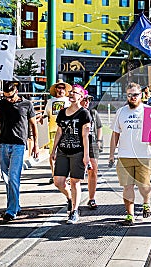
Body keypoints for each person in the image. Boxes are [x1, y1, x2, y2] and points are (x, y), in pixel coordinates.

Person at [0, 80, 39, 221]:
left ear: (16, 92)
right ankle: (15, 206)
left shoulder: (27, 104)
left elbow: (34, 125)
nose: (8, 99)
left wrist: (36, 144)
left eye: (10, 96)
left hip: (19, 145)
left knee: (13, 177)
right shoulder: (2, 103)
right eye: (5, 97)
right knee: (7, 179)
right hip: (4, 144)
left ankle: (11, 211)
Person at [109, 83, 151, 226]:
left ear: (141, 95)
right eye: (129, 95)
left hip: (144, 155)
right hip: (124, 155)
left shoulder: (149, 110)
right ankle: (130, 215)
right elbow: (115, 133)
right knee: (127, 186)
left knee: (144, 186)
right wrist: (111, 154)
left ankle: (146, 202)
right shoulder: (121, 112)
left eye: (135, 94)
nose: (132, 97)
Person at [51, 84, 91, 224]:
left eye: (76, 92)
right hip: (63, 151)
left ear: (81, 97)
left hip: (77, 152)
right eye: (71, 92)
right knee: (58, 182)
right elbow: (59, 132)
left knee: (75, 182)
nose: (72, 94)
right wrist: (53, 150)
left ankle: (74, 211)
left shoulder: (84, 113)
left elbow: (85, 136)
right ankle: (69, 198)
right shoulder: (62, 113)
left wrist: (86, 156)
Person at [40, 79, 71, 184]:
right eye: (59, 87)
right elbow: (46, 114)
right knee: (52, 154)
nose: (61, 90)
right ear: (56, 89)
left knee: (67, 153)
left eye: (63, 88)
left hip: (67, 131)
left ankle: (66, 175)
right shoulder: (50, 101)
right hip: (53, 130)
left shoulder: (69, 101)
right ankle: (54, 175)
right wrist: (42, 118)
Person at [80, 92, 103, 210]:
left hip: (92, 143)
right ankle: (72, 199)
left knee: (93, 170)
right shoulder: (74, 113)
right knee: (76, 173)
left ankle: (91, 198)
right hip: (78, 144)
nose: (87, 102)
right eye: (84, 99)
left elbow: (99, 127)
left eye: (88, 100)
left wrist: (99, 140)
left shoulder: (93, 113)